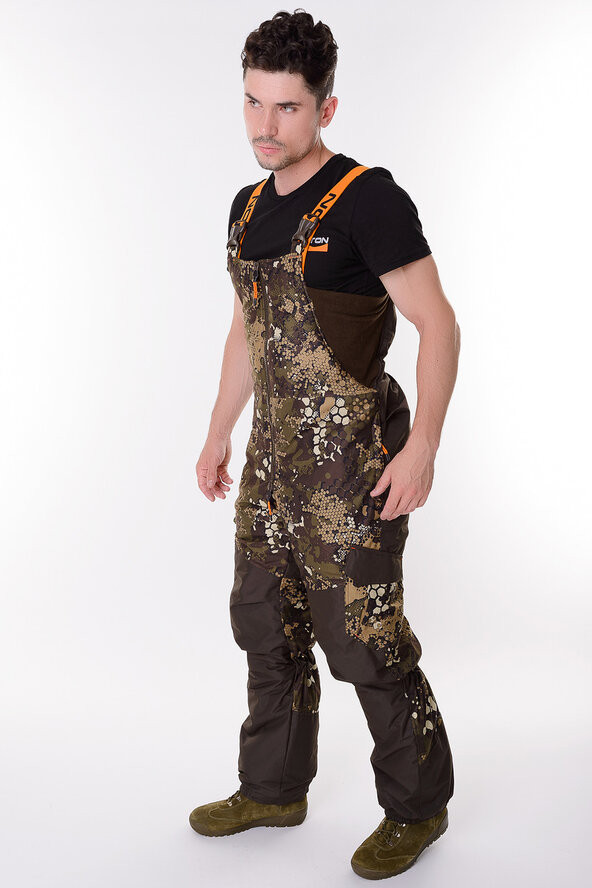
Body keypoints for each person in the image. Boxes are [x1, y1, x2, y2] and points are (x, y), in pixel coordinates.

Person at [189, 9, 460, 881]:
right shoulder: (246, 209)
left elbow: (438, 323)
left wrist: (423, 446)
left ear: (326, 109)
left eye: (288, 108)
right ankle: (272, 789)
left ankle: (418, 807)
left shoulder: (369, 199)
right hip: (271, 463)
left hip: (353, 467)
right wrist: (219, 430)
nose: (266, 126)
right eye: (253, 103)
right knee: (264, 625)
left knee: (364, 638)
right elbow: (248, 329)